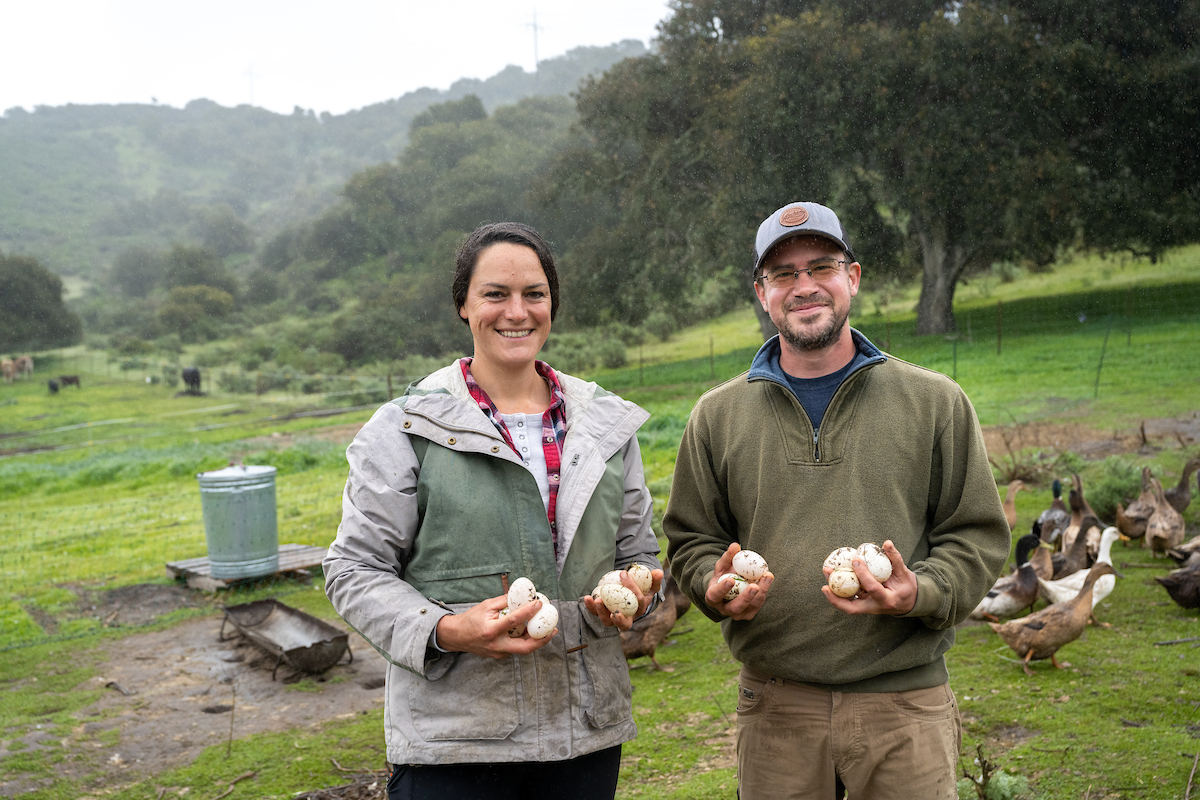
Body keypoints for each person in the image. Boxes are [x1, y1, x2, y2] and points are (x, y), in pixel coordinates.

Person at [663, 201, 1010, 799]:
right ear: (761, 293)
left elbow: (975, 535)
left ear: (852, 277)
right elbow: (693, 540)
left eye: (820, 267)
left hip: (904, 705)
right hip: (776, 706)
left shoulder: (935, 402)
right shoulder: (716, 416)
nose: (804, 287)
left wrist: (918, 591)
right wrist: (712, 588)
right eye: (784, 274)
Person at [324, 221, 663, 800]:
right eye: (495, 294)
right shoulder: (406, 427)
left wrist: (638, 590)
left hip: (584, 737)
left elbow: (637, 552)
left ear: (552, 303)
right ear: (463, 304)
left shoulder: (607, 425)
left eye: (534, 294)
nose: (517, 312)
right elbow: (353, 571)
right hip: (455, 745)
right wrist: (449, 630)